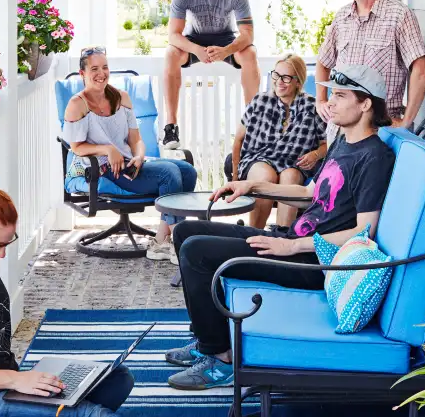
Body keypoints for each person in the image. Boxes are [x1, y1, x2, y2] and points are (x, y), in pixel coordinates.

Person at [164, 64, 396, 390]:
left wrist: (294, 246)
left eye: (341, 96)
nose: (331, 101)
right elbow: (309, 194)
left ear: (366, 104)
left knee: (196, 251)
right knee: (185, 231)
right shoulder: (344, 142)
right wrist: (251, 187)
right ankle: (207, 337)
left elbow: (364, 232)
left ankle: (221, 357)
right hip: (290, 240)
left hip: (312, 262)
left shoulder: (375, 157)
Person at [0, 165, 134, 417]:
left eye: (7, 243)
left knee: (118, 378)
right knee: (92, 414)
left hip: (8, 384)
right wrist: (14, 380)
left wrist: (19, 381)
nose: (1, 253)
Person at [64, 46, 198, 264]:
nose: (101, 74)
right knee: (169, 173)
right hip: (105, 169)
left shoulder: (121, 97)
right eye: (94, 69)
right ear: (83, 74)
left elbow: (136, 139)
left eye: (105, 67)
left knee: (188, 171)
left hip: (128, 164)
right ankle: (180, 241)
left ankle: (161, 240)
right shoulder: (77, 105)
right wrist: (108, 149)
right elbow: (77, 147)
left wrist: (139, 156)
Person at [316, 0, 425, 144]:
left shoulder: (399, 15)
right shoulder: (342, 17)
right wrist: (321, 101)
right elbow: (323, 62)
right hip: (339, 132)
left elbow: (421, 70)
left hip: (380, 132)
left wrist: (406, 121)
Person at [162, 0, 260, 149]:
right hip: (195, 39)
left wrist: (226, 51)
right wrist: (196, 50)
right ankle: (171, 126)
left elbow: (248, 34)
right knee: (171, 54)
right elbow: (173, 35)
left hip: (226, 39)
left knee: (250, 53)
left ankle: (253, 124)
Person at [229, 54, 327, 229]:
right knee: (266, 176)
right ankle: (254, 232)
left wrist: (315, 154)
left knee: (290, 176)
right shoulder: (260, 101)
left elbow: (326, 144)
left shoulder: (312, 107)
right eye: (276, 75)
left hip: (293, 163)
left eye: (286, 77)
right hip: (258, 159)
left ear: (298, 82)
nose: (279, 81)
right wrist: (234, 177)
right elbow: (238, 140)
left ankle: (283, 237)